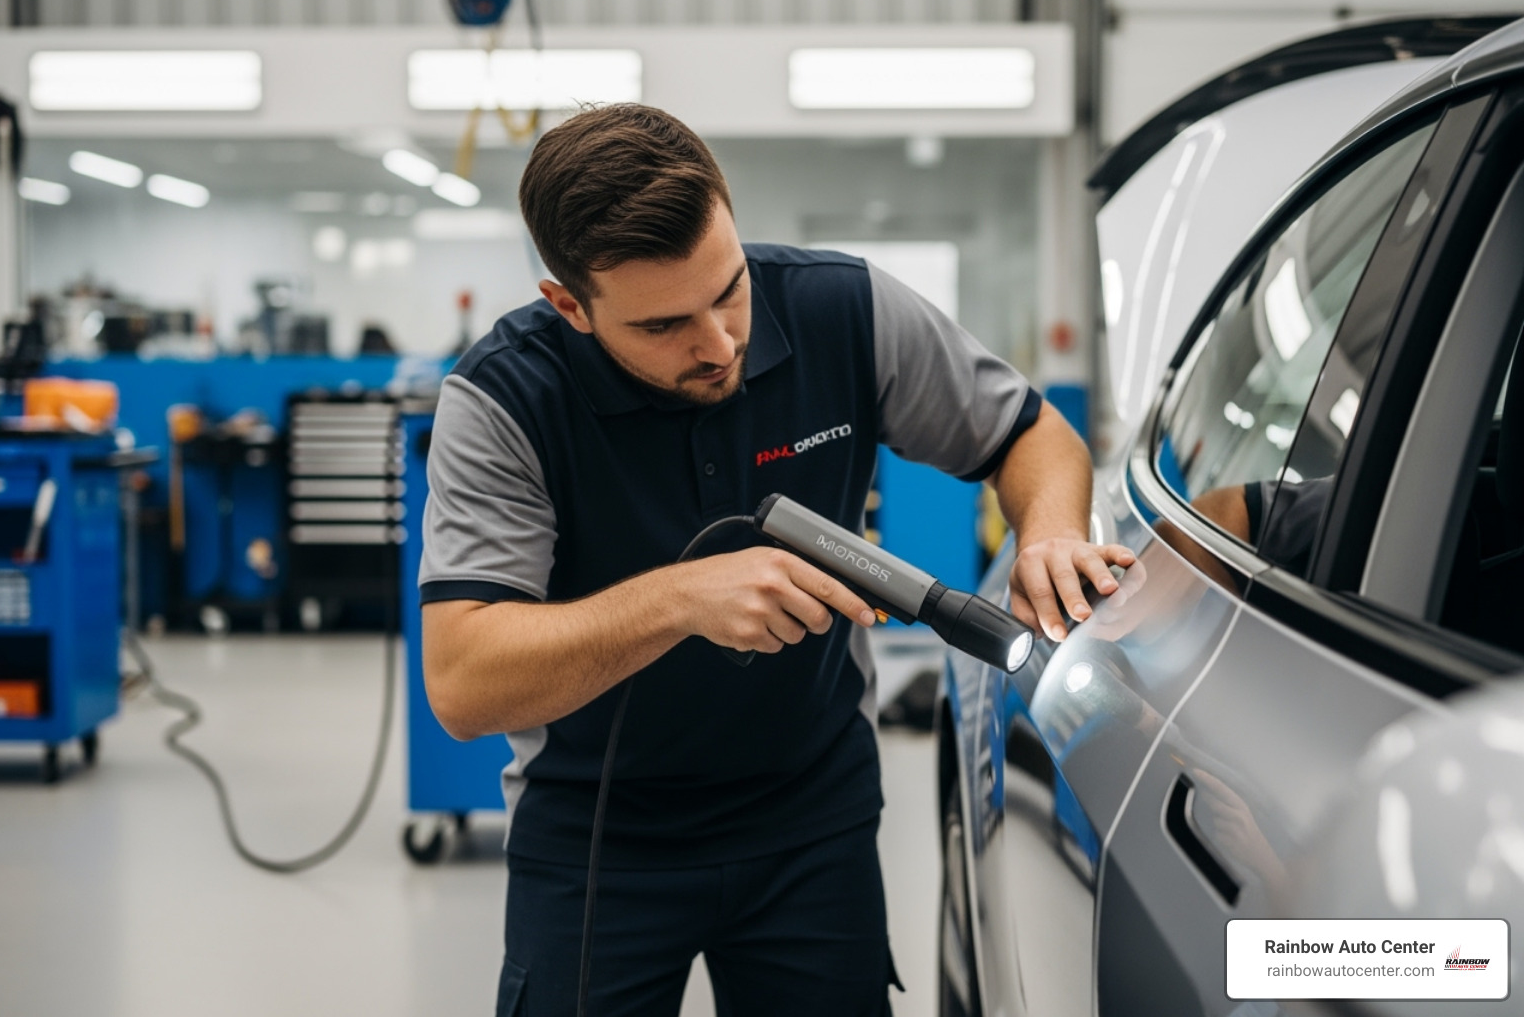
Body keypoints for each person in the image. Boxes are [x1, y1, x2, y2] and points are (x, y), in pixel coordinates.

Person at [419, 104, 1134, 1016]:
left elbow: (1030, 435)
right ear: (571, 306)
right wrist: (680, 599)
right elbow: (462, 681)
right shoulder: (503, 401)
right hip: (597, 838)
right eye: (664, 325)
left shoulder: (846, 308)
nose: (719, 345)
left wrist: (1053, 534)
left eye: (728, 289)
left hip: (812, 820)